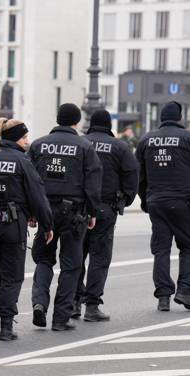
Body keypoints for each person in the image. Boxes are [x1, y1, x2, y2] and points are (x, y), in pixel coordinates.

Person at [136, 101, 190, 312]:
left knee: (161, 250)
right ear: (179, 118)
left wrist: (144, 199)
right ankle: (185, 291)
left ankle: (163, 297)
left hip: (157, 201)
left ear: (161, 118)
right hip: (184, 202)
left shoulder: (146, 140)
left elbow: (139, 175)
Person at [0, 118, 53, 341]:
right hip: (12, 225)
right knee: (11, 276)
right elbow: (38, 196)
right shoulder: (21, 161)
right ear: (15, 138)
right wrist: (46, 225)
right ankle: (6, 326)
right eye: (25, 137)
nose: (27, 141)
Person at [28, 103, 102, 331]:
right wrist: (92, 212)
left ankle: (39, 302)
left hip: (45, 211)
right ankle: (61, 318)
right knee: (71, 266)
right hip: (73, 214)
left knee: (43, 259)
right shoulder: (84, 146)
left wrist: (32, 211)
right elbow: (92, 183)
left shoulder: (38, 145)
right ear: (76, 122)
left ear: (57, 119)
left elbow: (28, 181)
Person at [72, 110, 139, 321]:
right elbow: (132, 176)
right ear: (109, 125)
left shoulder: (80, 143)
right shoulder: (120, 146)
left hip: (79, 208)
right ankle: (92, 306)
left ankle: (73, 303)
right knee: (99, 258)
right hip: (106, 208)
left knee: (76, 256)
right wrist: (124, 200)